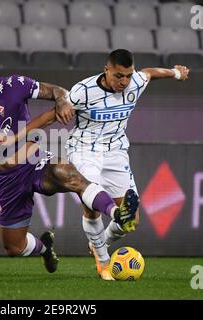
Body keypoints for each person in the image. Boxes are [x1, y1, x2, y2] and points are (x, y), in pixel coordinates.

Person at [0, 53, 139, 280]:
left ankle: (118, 213)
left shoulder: (15, 85)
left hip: (34, 159)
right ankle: (45, 248)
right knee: (13, 247)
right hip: (8, 178)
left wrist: (61, 101)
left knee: (70, 175)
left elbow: (57, 91)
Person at [64, 49, 190, 277]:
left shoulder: (135, 82)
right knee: (92, 206)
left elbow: (149, 73)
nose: (124, 81)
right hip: (84, 149)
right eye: (119, 76)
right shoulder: (83, 90)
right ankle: (103, 263)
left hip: (116, 151)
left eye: (128, 75)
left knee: (131, 219)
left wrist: (175, 73)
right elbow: (57, 111)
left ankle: (99, 242)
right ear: (107, 70)